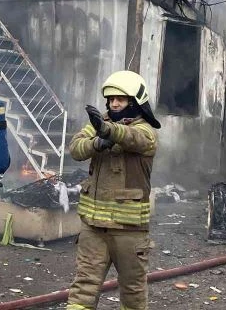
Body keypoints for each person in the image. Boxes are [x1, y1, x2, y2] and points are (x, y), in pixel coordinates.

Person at [66, 70, 161, 310]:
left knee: (132, 292)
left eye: (121, 99)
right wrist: (97, 142)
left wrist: (109, 132)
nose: (114, 103)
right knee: (82, 289)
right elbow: (76, 149)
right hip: (93, 228)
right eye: (111, 99)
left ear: (135, 100)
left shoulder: (146, 131)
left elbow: (133, 138)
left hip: (129, 232)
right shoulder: (99, 124)